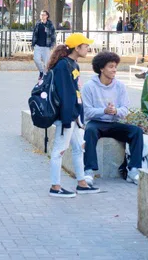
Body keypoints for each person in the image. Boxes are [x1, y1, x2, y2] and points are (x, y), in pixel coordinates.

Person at [47, 33, 100, 198]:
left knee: (78, 148)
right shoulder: (63, 66)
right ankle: (55, 187)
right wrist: (67, 119)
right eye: (85, 45)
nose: (88, 48)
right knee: (59, 151)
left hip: (74, 116)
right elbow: (65, 94)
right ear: (77, 48)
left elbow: (74, 91)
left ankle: (82, 183)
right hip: (68, 116)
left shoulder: (73, 64)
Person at [82, 51, 144, 185]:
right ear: (101, 68)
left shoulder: (120, 86)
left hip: (114, 122)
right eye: (110, 66)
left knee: (136, 131)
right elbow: (87, 112)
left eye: (115, 66)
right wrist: (103, 110)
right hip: (96, 123)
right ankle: (89, 171)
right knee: (90, 131)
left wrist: (115, 111)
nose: (114, 70)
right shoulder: (89, 86)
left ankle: (133, 170)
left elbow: (125, 109)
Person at [31, 10, 56, 81]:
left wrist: (52, 44)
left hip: (46, 47)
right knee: (36, 59)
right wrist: (33, 44)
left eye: (44, 15)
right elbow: (34, 35)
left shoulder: (50, 24)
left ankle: (45, 76)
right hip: (38, 46)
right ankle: (41, 71)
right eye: (41, 15)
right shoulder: (38, 24)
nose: (42, 16)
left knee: (46, 63)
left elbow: (53, 35)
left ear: (47, 16)